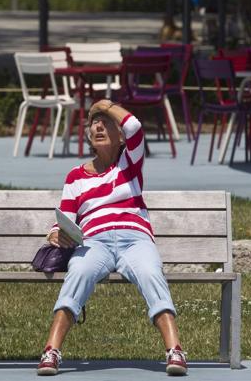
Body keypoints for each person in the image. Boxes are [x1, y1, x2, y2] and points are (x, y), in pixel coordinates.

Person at [36, 99, 187, 376]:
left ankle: (175, 349)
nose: (100, 126)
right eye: (95, 123)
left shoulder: (130, 163)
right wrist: (58, 233)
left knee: (151, 272)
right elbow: (65, 218)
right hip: (95, 241)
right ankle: (51, 351)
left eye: (107, 122)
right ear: (89, 136)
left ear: (121, 138)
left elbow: (135, 126)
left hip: (135, 238)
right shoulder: (75, 176)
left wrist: (105, 105)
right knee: (78, 271)